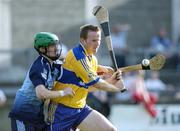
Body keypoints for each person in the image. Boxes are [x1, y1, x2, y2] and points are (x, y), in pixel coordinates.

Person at [49, 24, 125, 131]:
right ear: (83, 41)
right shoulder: (77, 55)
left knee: (110, 130)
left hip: (80, 109)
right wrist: (116, 87)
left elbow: (89, 88)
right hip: (61, 111)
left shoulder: (93, 59)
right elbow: (96, 83)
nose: (97, 43)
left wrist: (111, 80)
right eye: (93, 40)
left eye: (98, 40)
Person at [9, 32, 74, 131]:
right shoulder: (39, 66)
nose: (56, 48)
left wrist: (99, 70)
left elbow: (74, 68)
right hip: (23, 115)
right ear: (42, 49)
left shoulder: (53, 64)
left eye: (56, 44)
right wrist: (63, 93)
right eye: (52, 46)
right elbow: (41, 94)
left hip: (37, 116)